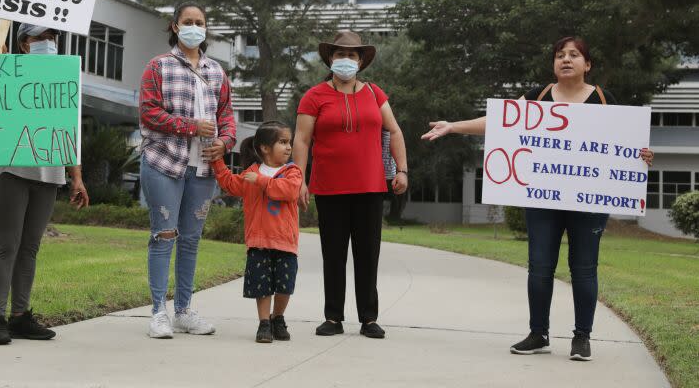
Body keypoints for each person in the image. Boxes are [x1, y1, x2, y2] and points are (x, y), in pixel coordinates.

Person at [421, 36, 654, 361]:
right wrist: (453, 127)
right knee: (540, 267)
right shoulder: (538, 97)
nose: (566, 59)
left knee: (584, 268)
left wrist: (642, 155)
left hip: (588, 203)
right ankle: (538, 334)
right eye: (560, 55)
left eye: (574, 55)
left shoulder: (603, 99)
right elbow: (500, 123)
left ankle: (582, 337)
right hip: (544, 200)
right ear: (553, 64)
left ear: (588, 65)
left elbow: (624, 144)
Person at [292, 30, 408, 339]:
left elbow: (394, 131)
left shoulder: (374, 94)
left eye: (352, 55)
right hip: (330, 188)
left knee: (368, 254)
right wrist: (298, 178)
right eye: (340, 55)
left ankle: (369, 319)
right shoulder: (314, 96)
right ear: (331, 59)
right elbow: (301, 140)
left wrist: (402, 170)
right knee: (333, 254)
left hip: (370, 188)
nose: (346, 60)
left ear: (360, 61)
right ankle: (333, 317)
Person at [0, 24, 90, 345]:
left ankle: (20, 316)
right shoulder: (6, 68)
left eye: (52, 37)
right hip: (12, 169)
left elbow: (69, 127)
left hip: (50, 173)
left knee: (30, 248)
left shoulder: (63, 77)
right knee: (7, 245)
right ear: (24, 43)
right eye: (40, 37)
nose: (47, 42)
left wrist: (76, 177)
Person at [139, 2, 236, 339]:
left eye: (200, 22)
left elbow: (227, 117)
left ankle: (183, 310)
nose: (195, 27)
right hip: (164, 163)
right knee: (164, 235)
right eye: (188, 21)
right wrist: (191, 126)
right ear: (175, 26)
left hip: (203, 168)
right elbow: (149, 113)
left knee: (191, 240)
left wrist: (224, 142)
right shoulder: (158, 67)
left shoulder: (217, 72)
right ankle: (157, 313)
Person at [211, 121, 302, 343]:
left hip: (285, 242)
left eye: (289, 142)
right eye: (282, 142)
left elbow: (288, 192)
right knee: (262, 286)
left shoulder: (292, 172)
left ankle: (277, 317)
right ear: (264, 148)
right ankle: (263, 323)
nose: (288, 147)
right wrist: (217, 161)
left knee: (284, 286)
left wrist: (261, 181)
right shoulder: (250, 173)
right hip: (259, 241)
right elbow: (230, 184)